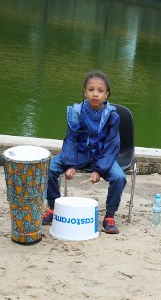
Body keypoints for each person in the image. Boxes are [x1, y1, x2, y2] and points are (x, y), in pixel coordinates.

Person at [42, 71, 127, 234]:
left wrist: (98, 169)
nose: (95, 94)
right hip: (78, 154)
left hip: (103, 156)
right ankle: (53, 208)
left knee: (119, 177)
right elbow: (71, 140)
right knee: (50, 168)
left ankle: (109, 216)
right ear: (84, 92)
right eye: (91, 89)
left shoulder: (112, 116)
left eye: (100, 90)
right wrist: (70, 164)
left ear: (107, 94)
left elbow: (111, 146)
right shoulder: (77, 112)